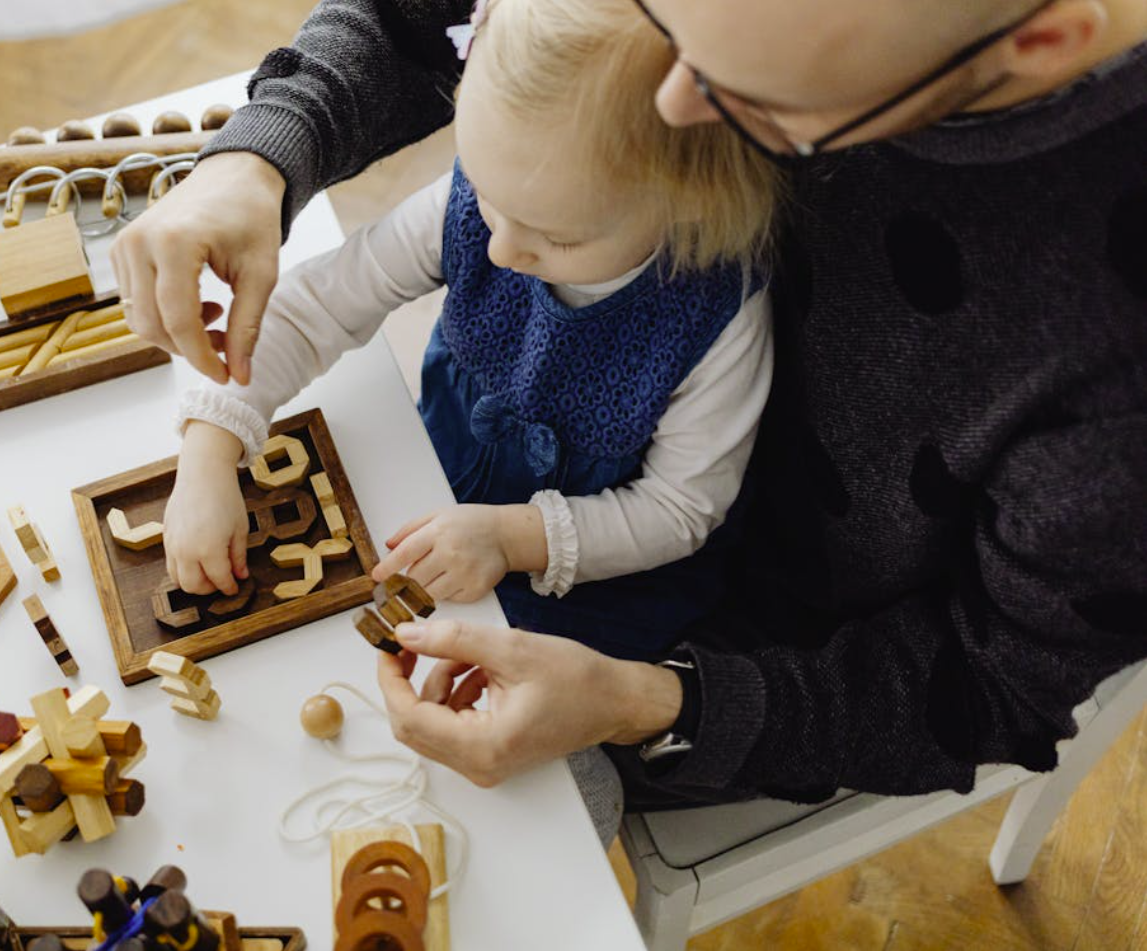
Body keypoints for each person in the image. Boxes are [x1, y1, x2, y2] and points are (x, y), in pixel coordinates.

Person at [112, 0, 1147, 817]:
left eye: (757, 100)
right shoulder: (524, 183)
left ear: (1037, 42)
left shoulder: (1104, 389)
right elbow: (411, 36)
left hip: (714, 641)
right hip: (459, 497)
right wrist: (257, 158)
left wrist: (645, 701)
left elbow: (979, 686)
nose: (673, 95)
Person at [160, 0, 779, 665]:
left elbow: (677, 510)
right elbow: (312, 308)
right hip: (435, 497)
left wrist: (513, 538)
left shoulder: (719, 314)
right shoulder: (493, 201)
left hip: (599, 588)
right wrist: (209, 450)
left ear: (689, 203)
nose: (501, 250)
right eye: (485, 192)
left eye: (556, 237)